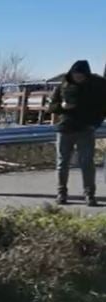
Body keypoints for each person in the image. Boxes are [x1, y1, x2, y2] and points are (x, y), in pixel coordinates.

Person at [48, 60, 106, 206]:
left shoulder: (96, 87)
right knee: (63, 163)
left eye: (81, 75)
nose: (78, 77)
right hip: (65, 128)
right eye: (75, 75)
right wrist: (61, 106)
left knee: (87, 163)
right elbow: (51, 107)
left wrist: (95, 124)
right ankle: (61, 193)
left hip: (86, 129)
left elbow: (102, 108)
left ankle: (89, 194)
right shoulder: (64, 85)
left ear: (86, 75)